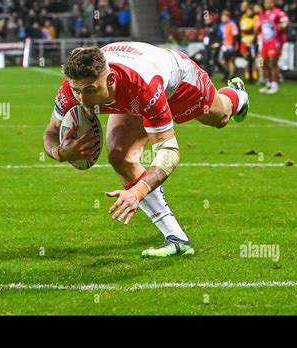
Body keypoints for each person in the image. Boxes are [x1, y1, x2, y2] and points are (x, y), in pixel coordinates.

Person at [43, 42, 250, 257]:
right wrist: (60, 153)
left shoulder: (142, 85)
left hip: (178, 82)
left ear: (111, 79)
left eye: (90, 91)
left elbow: (169, 152)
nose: (82, 100)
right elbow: (50, 134)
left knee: (221, 117)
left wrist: (137, 192)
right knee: (120, 156)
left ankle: (237, 95)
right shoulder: (71, 88)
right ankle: (177, 238)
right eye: (77, 91)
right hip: (133, 92)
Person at [255, 0, 289, 94]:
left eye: (269, 2)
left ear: (273, 3)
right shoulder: (262, 14)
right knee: (264, 63)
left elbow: (285, 22)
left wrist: (282, 26)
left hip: (275, 41)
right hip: (265, 42)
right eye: (265, 2)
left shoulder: (278, 12)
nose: (267, 4)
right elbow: (259, 26)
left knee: (273, 62)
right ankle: (269, 83)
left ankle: (275, 84)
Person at [239, 3, 258, 82]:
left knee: (254, 59)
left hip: (253, 42)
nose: (249, 12)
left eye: (250, 11)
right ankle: (247, 76)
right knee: (247, 59)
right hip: (245, 42)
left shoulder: (256, 18)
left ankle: (254, 76)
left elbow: (256, 28)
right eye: (248, 11)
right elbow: (244, 29)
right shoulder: (243, 18)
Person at [219, 10, 239, 81]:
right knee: (224, 61)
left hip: (231, 46)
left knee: (230, 61)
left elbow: (236, 36)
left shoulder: (232, 25)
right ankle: (231, 73)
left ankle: (231, 75)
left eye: (224, 17)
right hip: (225, 46)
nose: (223, 18)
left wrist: (234, 45)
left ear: (228, 17)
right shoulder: (224, 26)